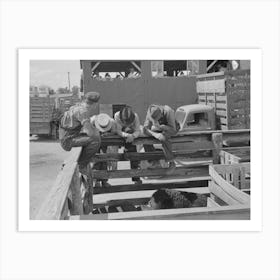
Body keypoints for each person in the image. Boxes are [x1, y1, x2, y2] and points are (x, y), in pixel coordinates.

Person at [59, 92, 101, 174]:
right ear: (95, 104)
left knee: (93, 136)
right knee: (96, 140)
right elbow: (90, 133)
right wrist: (96, 131)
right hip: (68, 140)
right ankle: (81, 165)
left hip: (67, 136)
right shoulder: (83, 112)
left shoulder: (77, 106)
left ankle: (81, 162)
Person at [143, 104, 178, 172]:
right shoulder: (150, 111)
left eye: (157, 119)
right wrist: (155, 134)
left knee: (163, 138)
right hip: (158, 128)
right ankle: (153, 160)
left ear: (161, 115)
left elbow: (173, 130)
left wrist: (163, 127)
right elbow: (145, 129)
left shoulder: (168, 111)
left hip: (170, 127)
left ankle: (171, 162)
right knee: (144, 137)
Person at [114, 105, 142, 184]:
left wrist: (132, 136)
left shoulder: (135, 116)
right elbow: (118, 131)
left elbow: (137, 130)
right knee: (133, 153)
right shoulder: (117, 116)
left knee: (129, 131)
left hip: (131, 136)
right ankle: (136, 178)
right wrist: (127, 135)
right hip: (124, 135)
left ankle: (127, 151)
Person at [90, 113, 117, 187]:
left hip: (105, 142)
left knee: (104, 159)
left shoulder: (111, 122)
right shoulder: (92, 121)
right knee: (96, 160)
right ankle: (96, 181)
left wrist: (108, 134)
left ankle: (104, 180)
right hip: (94, 141)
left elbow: (114, 132)